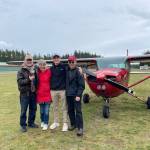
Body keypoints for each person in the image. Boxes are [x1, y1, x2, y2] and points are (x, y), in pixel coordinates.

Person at [17, 54, 38, 132]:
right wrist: (28, 79)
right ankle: (23, 125)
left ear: (32, 60)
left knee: (33, 109)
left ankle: (31, 123)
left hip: (33, 93)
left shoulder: (35, 69)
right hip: (24, 94)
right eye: (28, 60)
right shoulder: (21, 70)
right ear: (25, 61)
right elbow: (20, 82)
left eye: (30, 60)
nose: (29, 61)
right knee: (24, 110)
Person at [66, 56, 85, 136]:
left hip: (76, 95)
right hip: (68, 94)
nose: (71, 63)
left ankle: (80, 128)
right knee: (70, 110)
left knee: (78, 111)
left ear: (75, 62)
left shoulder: (79, 72)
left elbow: (82, 85)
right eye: (70, 62)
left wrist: (78, 95)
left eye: (72, 62)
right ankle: (73, 124)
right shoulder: (66, 70)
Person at [50, 54, 68, 132]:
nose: (56, 59)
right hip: (53, 91)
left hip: (62, 90)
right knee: (55, 107)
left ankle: (65, 123)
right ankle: (56, 122)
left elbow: (73, 67)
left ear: (60, 59)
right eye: (55, 58)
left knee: (64, 107)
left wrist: (80, 69)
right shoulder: (51, 68)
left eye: (57, 58)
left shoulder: (64, 66)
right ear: (53, 60)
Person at [35, 59, 52, 130]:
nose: (42, 66)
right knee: (41, 111)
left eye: (44, 65)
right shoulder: (37, 72)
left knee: (46, 111)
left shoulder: (49, 72)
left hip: (48, 94)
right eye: (41, 65)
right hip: (40, 94)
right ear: (39, 65)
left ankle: (46, 123)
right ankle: (42, 121)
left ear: (46, 65)